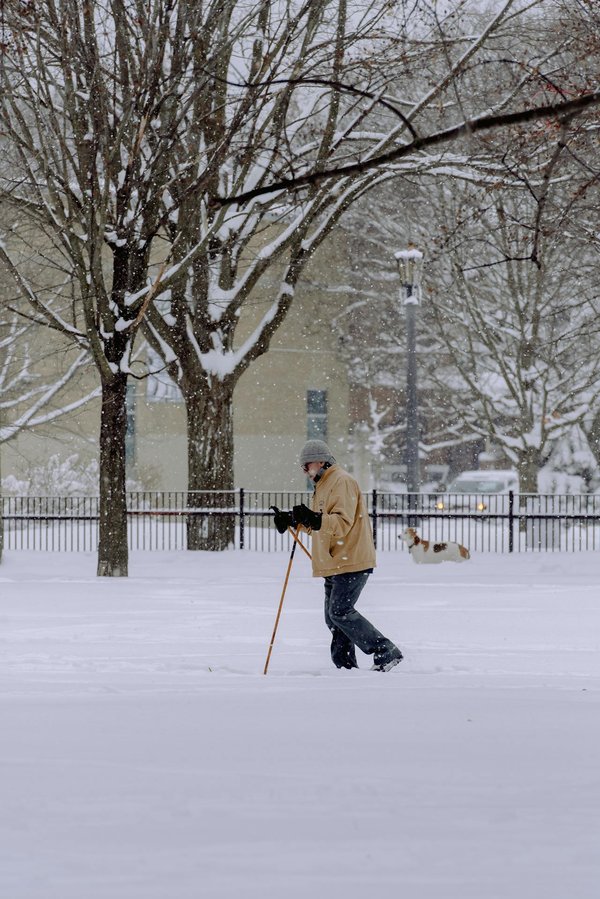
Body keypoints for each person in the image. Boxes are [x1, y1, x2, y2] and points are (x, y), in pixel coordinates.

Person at [272, 439, 403, 672]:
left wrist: (313, 518)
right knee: (333, 617)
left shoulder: (341, 481)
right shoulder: (323, 484)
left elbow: (342, 523)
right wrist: (294, 520)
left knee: (340, 611)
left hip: (350, 559)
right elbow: (321, 524)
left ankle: (386, 651)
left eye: (307, 465)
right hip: (335, 561)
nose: (305, 471)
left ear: (321, 461)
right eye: (302, 467)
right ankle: (345, 667)